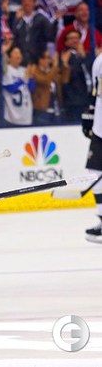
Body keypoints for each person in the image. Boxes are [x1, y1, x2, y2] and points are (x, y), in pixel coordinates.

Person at [83, 51, 102, 243]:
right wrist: (89, 115)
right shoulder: (99, 62)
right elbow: (95, 93)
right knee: (95, 173)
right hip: (100, 128)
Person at [2, 46, 34, 126]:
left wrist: (31, 77)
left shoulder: (24, 70)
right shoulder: (7, 70)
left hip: (26, 115)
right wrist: (23, 80)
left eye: (19, 53)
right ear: (10, 57)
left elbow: (31, 88)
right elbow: (10, 89)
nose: (18, 55)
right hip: (12, 116)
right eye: (15, 53)